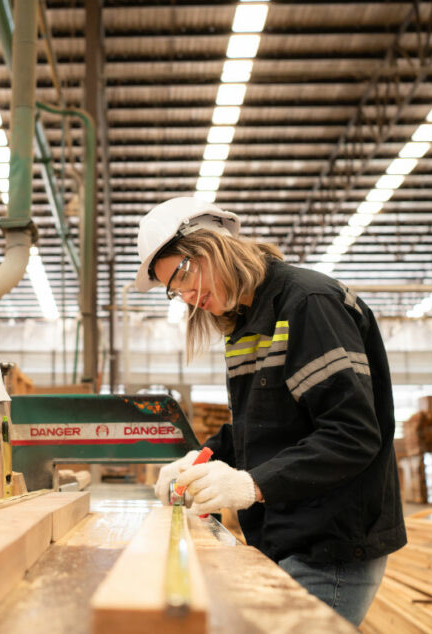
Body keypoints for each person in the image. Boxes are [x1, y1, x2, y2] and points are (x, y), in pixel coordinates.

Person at [136, 196, 406, 626]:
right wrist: (200, 458)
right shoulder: (245, 323)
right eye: (175, 289)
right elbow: (260, 426)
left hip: (330, 546)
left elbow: (352, 435)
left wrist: (251, 485)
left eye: (184, 275)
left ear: (214, 246)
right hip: (288, 536)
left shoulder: (308, 303)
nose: (187, 296)